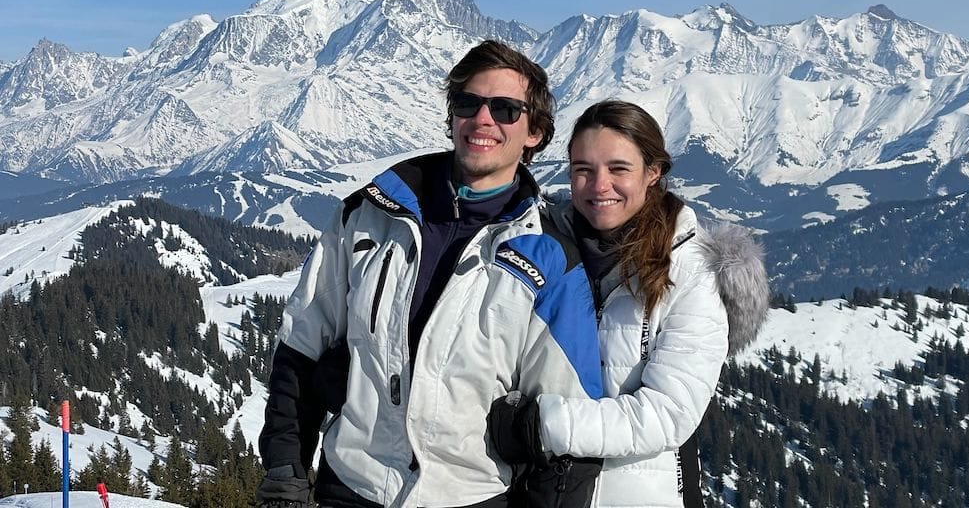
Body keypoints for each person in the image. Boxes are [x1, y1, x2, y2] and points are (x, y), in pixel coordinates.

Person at [256, 40, 603, 508]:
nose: (483, 120)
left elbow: (569, 421)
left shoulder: (551, 258)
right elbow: (301, 349)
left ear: (535, 132)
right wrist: (285, 473)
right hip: (352, 486)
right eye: (468, 103)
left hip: (471, 494)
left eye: (505, 109)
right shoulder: (368, 216)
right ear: (451, 115)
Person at [490, 100, 769, 507]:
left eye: (618, 169)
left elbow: (667, 414)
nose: (599, 185)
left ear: (653, 173)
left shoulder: (691, 273)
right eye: (583, 170)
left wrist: (538, 425)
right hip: (543, 493)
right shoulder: (545, 253)